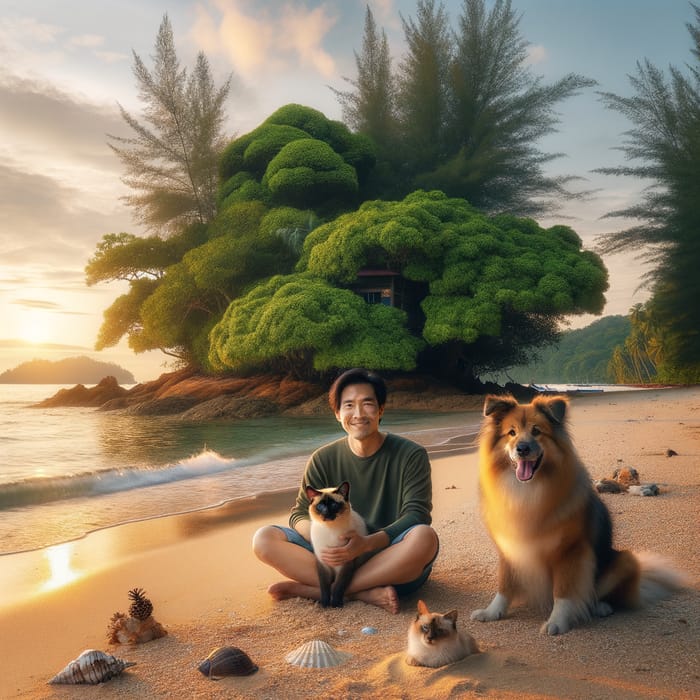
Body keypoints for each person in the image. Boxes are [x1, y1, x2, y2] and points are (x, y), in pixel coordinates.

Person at [252, 368, 439, 614]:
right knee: (264, 539)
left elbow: (417, 514)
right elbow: (298, 513)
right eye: (349, 405)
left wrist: (367, 543)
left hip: (390, 557)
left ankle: (324, 591)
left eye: (367, 404)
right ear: (338, 414)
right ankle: (361, 592)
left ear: (381, 409)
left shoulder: (410, 455)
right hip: (335, 557)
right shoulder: (322, 458)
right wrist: (325, 539)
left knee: (425, 537)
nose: (358, 414)